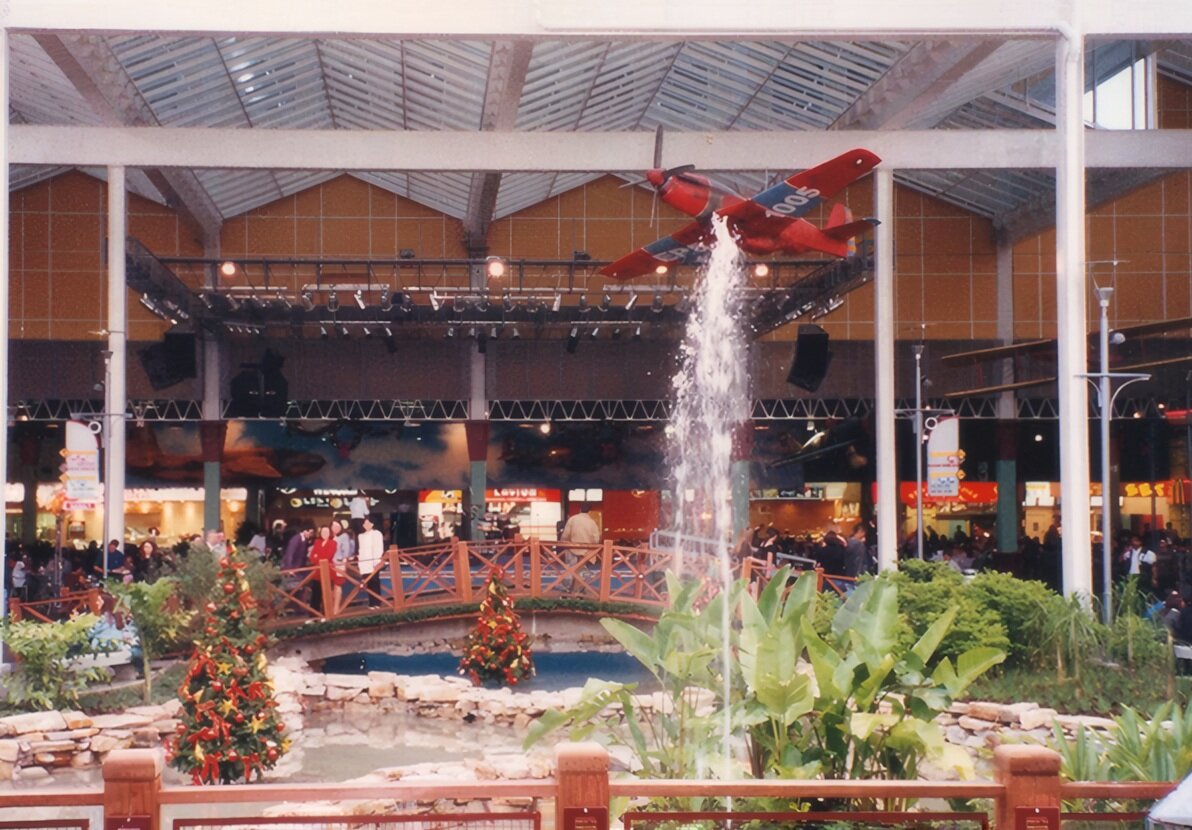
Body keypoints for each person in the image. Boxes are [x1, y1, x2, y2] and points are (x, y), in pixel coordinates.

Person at [559, 504, 601, 589]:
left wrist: (562, 543)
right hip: (586, 551)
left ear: (579, 509)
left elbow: (565, 535)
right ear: (589, 512)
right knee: (582, 571)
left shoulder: (573, 519)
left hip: (572, 549)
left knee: (570, 569)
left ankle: (567, 589)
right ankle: (580, 589)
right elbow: (596, 539)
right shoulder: (592, 522)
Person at [308, 525, 340, 615]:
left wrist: (317, 556)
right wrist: (317, 557)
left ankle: (326, 615)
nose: (324, 533)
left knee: (326, 595)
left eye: (326, 532)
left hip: (328, 573)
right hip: (317, 573)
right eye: (323, 532)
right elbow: (311, 557)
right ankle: (314, 615)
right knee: (315, 595)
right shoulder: (317, 542)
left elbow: (328, 557)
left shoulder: (333, 543)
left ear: (330, 533)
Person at [356, 516, 386, 608]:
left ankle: (377, 602)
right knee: (368, 583)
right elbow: (360, 550)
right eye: (364, 523)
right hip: (364, 562)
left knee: (375, 582)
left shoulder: (376, 533)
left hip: (373, 562)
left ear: (372, 524)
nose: (365, 525)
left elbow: (378, 548)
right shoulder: (361, 536)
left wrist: (376, 562)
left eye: (368, 523)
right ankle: (371, 602)